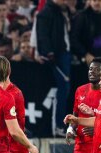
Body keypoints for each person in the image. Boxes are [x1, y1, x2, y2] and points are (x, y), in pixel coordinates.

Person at [36, 0, 72, 137]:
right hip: (57, 55)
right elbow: (42, 34)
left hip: (66, 52)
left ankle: (60, 124)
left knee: (66, 89)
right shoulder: (46, 13)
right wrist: (48, 51)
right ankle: (58, 125)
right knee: (62, 88)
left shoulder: (63, 11)